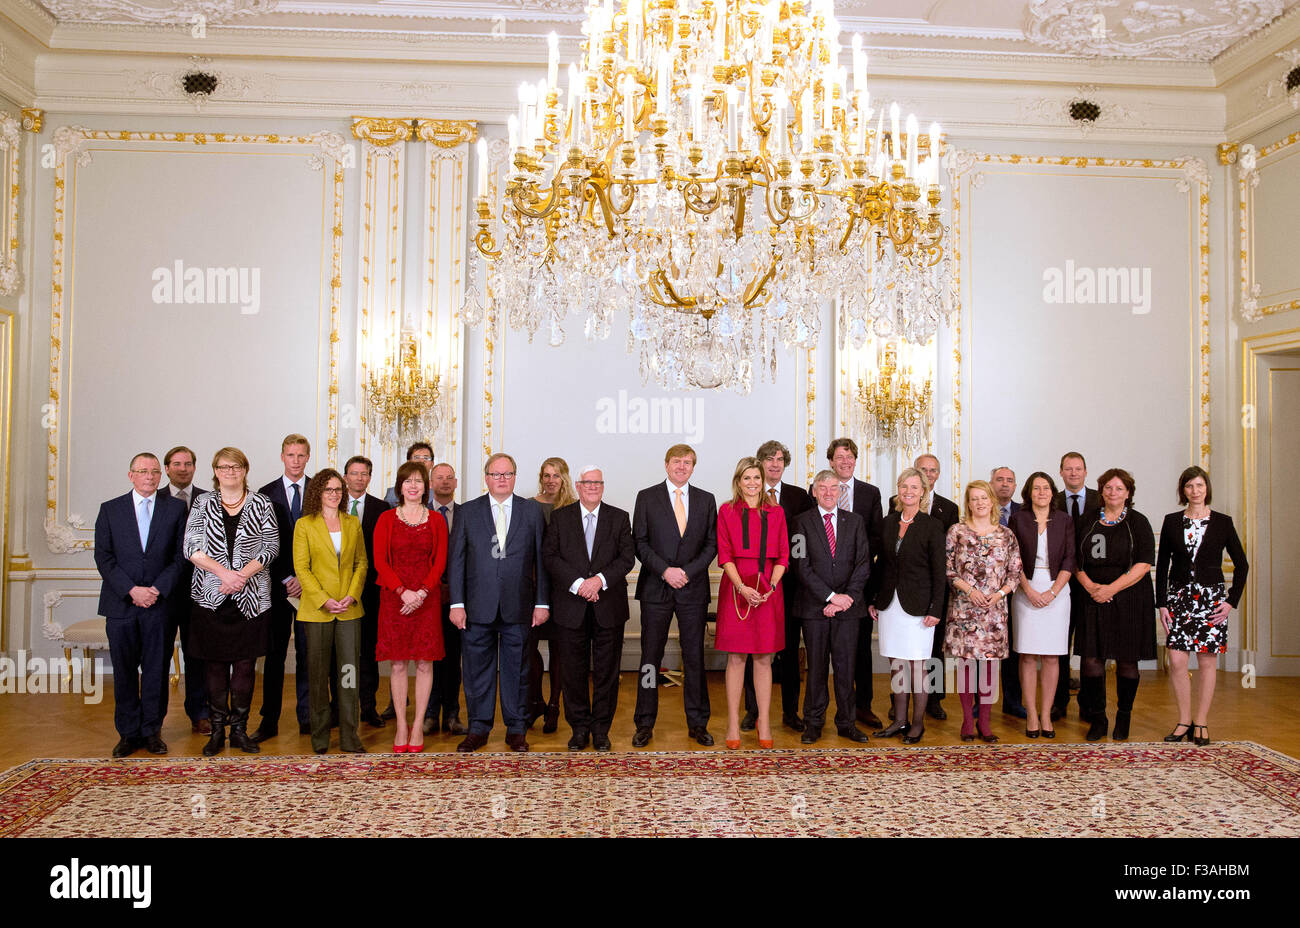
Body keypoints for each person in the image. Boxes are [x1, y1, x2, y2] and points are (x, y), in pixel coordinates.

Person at [448, 453, 550, 752]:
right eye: (496, 474)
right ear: (486, 478)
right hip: (477, 606)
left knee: (517, 669)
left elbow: (541, 561)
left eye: (507, 474)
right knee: (477, 670)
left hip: (519, 605)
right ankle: (478, 728)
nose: (502, 479)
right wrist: (457, 603)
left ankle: (516, 728)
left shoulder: (532, 511)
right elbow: (457, 561)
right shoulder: (468, 512)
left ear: (515, 477)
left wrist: (542, 602)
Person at [184, 447, 279, 755]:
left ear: (244, 470)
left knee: (244, 666)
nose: (230, 471)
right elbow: (191, 547)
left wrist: (240, 576)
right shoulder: (202, 503)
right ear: (215, 471)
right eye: (224, 467)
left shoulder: (261, 503)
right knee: (214, 666)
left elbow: (270, 547)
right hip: (211, 597)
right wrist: (225, 575)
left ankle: (239, 730)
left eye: (236, 466)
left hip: (250, 599)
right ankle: (216, 731)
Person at [93, 453, 188, 757]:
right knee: (123, 671)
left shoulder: (175, 509)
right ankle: (127, 733)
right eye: (143, 471)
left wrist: (156, 589)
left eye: (154, 472)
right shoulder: (110, 510)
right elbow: (104, 558)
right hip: (121, 604)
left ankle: (152, 731)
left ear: (161, 476)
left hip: (159, 605)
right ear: (130, 475)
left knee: (156, 670)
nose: (149, 477)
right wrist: (132, 590)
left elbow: (180, 557)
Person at [541, 465, 636, 751]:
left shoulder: (619, 518)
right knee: (573, 672)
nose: (592, 486)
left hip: (609, 607)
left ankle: (601, 730)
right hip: (571, 607)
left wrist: (598, 581)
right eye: (587, 482)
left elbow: (627, 558)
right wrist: (579, 584)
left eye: (597, 482)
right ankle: (579, 728)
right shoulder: (560, 518)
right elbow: (550, 556)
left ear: (602, 486)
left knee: (607, 673)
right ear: (578, 486)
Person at [631, 444, 718, 747]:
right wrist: (666, 571)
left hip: (692, 589)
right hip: (656, 587)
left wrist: (687, 572)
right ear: (666, 464)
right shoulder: (646, 497)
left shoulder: (707, 500)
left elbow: (711, 545)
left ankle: (698, 722)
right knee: (649, 660)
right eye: (677, 462)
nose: (682, 467)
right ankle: (644, 722)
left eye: (688, 462)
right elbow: (639, 542)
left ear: (694, 467)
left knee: (694, 658)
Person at [1156, 467, 1248, 747]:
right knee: (1177, 661)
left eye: (1199, 485)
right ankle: (1184, 720)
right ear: (1182, 490)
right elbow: (1162, 567)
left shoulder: (1222, 522)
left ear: (1206, 488)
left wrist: (1231, 601)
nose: (1195, 491)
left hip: (1211, 600)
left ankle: (1202, 721)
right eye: (1189, 486)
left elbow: (1242, 564)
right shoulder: (1172, 522)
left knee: (1207, 661)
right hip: (1179, 599)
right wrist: (1162, 604)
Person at [1075, 468, 1157, 742]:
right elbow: (1074, 560)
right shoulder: (1087, 520)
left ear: (1128, 493)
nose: (1113, 493)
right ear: (1101, 491)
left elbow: (1144, 564)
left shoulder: (1138, 522)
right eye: (1108, 488)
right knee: (1091, 661)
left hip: (1130, 598)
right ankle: (1098, 718)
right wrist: (1091, 587)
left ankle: (1124, 716)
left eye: (1119, 488)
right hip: (1093, 596)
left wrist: (1112, 588)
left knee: (1126, 662)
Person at [791, 471, 872, 744]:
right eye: (822, 488)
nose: (828, 493)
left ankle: (846, 723)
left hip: (849, 608)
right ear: (813, 491)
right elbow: (800, 566)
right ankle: (813, 723)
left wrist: (844, 598)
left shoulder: (856, 522)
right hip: (814, 608)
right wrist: (829, 597)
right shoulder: (799, 523)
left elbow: (863, 563)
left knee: (846, 668)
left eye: (833, 488)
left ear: (841, 492)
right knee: (815, 668)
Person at [374, 461, 448, 752]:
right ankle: (401, 725)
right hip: (394, 599)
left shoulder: (437, 520)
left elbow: (440, 561)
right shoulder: (386, 519)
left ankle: (418, 724)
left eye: (419, 481)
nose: (413, 486)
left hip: (426, 600)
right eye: (408, 481)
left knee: (424, 662)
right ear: (399, 487)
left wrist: (421, 593)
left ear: (425, 487)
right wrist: (403, 592)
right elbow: (380, 560)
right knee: (398, 664)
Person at [715, 457, 790, 749]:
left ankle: (764, 721)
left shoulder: (777, 512)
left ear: (763, 481)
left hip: (769, 588)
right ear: (738, 481)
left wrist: (771, 586)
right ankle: (733, 722)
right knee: (736, 658)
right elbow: (724, 555)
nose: (752, 483)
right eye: (747, 478)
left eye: (756, 478)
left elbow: (784, 554)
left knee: (763, 658)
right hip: (737, 587)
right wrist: (742, 587)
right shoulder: (726, 511)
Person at [739, 440, 812, 733]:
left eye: (779, 459)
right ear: (759, 464)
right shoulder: (744, 497)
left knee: (790, 650)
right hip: (753, 588)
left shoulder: (798, 496)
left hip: (791, 587)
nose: (774, 464)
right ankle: (752, 710)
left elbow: (803, 543)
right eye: (768, 459)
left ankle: (790, 711)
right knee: (751, 650)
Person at [293, 469, 368, 754]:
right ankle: (320, 736)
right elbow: (302, 568)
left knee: (348, 674)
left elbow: (361, 563)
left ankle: (350, 735)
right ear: (317, 494)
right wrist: (324, 599)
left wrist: (351, 595)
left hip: (349, 611)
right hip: (318, 611)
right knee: (318, 674)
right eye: (328, 490)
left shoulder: (352, 523)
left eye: (338, 489)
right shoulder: (305, 525)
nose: (334, 494)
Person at [810, 438, 883, 729]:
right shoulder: (815, 490)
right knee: (821, 659)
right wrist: (829, 595)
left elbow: (876, 539)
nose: (845, 461)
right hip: (820, 594)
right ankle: (819, 715)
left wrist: (850, 591)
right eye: (840, 457)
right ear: (830, 461)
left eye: (850, 456)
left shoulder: (870, 493)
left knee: (860, 651)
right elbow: (811, 538)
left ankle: (861, 708)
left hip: (858, 590)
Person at [870, 467, 946, 744]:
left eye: (914, 487)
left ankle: (917, 723)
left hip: (920, 608)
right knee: (897, 665)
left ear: (923, 492)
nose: (908, 492)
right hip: (890, 605)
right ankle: (899, 720)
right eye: (904, 486)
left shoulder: (932, 526)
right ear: (898, 490)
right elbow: (881, 567)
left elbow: (940, 572)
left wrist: (936, 608)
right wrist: (873, 599)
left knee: (918, 667)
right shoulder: (888, 523)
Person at [945, 479, 1023, 742]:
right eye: (974, 498)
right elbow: (948, 569)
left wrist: (999, 594)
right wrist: (969, 590)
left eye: (983, 498)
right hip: (965, 608)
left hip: (994, 611)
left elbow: (1015, 573)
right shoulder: (957, 531)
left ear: (991, 501)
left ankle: (986, 724)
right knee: (967, 668)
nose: (979, 502)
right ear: (968, 503)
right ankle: (968, 721)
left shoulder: (1006, 534)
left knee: (989, 671)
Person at [253, 433, 313, 742]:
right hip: (276, 589)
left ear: (307, 457)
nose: (296, 460)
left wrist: (305, 579)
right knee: (274, 656)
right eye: (291, 455)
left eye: (301, 455)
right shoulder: (264, 494)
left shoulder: (319, 491)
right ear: (282, 457)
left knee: (308, 655)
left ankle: (307, 717)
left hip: (310, 589)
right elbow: (261, 543)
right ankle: (269, 720)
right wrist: (285, 578)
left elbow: (326, 542)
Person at [891, 453, 959, 720]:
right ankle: (899, 708)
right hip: (898, 596)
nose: (928, 474)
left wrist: (937, 602)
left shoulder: (947, 508)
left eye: (932, 470)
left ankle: (933, 701)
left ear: (936, 476)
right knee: (899, 657)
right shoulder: (893, 508)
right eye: (923, 470)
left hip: (931, 594)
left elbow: (946, 557)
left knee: (932, 653)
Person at [1009, 473, 1075, 738]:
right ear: (1028, 492)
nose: (1041, 492)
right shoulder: (1018, 519)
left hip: (1057, 589)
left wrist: (1053, 591)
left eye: (1046, 487)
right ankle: (1032, 714)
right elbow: (1013, 559)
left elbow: (1070, 558)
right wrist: (1028, 589)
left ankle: (1047, 714)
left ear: (1053, 492)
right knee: (1026, 654)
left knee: (1051, 655)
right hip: (1025, 588)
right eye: (1036, 488)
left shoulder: (1064, 520)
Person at [159, 445, 208, 734]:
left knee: (197, 655)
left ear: (194, 467)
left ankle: (199, 713)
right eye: (176, 464)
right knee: (158, 656)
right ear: (167, 468)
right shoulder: (155, 499)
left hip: (200, 591)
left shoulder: (207, 499)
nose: (182, 468)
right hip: (164, 592)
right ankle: (155, 718)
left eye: (188, 463)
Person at [526, 456, 576, 734]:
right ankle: (536, 701)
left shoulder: (572, 508)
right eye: (546, 475)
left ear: (564, 478)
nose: (550, 480)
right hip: (533, 588)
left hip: (564, 589)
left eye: (556, 475)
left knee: (560, 650)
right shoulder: (530, 506)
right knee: (529, 648)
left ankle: (555, 706)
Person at [341, 455, 390, 729]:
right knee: (342, 653)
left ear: (370, 477)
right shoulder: (333, 504)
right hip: (337, 591)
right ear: (345, 476)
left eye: (364, 474)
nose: (359, 478)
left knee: (368, 653)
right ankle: (340, 708)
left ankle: (368, 707)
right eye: (354, 473)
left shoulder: (382, 508)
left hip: (371, 592)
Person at [1053, 451, 1101, 720]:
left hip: (1092, 584)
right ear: (1061, 472)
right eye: (1068, 469)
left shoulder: (1100, 499)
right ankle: (1059, 702)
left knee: (1090, 647)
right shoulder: (1053, 500)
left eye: (1078, 469)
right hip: (1060, 582)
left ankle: (1089, 705)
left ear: (1085, 472)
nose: (1073, 473)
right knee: (1060, 645)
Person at [423, 463, 467, 736]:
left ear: (456, 482)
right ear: (430, 482)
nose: (445, 482)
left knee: (453, 658)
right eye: (439, 478)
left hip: (457, 598)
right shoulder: (419, 514)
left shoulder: (467, 514)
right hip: (426, 597)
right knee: (429, 658)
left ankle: (452, 714)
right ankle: (429, 715)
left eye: (450, 477)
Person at [990, 465, 1026, 719]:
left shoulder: (1024, 513)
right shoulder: (977, 508)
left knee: (1013, 649)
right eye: (999, 479)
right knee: (984, 652)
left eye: (1009, 480)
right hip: (984, 595)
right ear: (991, 483)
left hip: (1015, 590)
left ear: (1015, 486)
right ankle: (982, 704)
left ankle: (1013, 701)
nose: (1004, 484)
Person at [383, 442, 438, 507]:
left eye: (426, 458)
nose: (421, 461)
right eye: (416, 457)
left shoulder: (439, 492)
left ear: (432, 463)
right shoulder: (393, 493)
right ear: (408, 462)